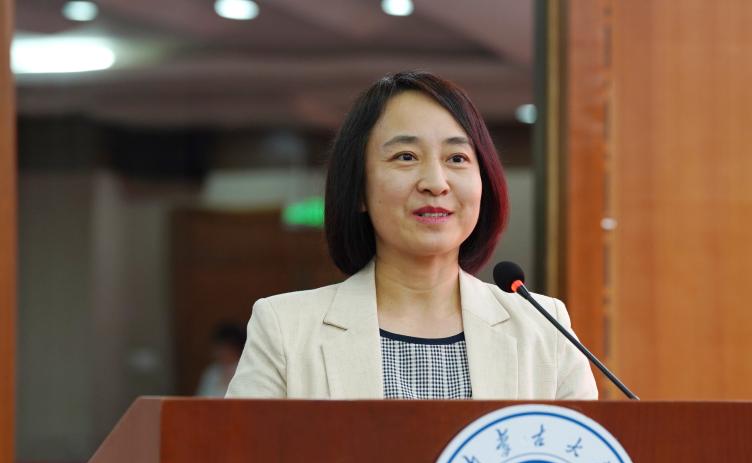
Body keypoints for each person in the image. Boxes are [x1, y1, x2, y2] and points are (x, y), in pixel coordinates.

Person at [226, 71, 597, 400]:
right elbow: (243, 457)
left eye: (457, 158)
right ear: (358, 189)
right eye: (405, 156)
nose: (435, 182)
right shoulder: (285, 328)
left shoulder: (544, 328)